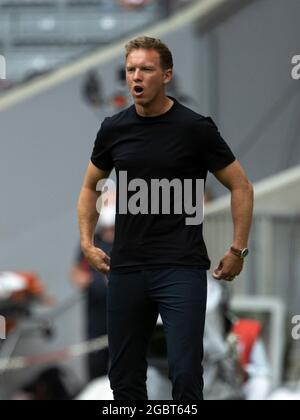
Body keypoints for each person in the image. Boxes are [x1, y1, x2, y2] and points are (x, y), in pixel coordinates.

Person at [77, 36, 254, 400]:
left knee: (186, 375)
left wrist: (238, 250)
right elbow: (90, 186)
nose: (136, 76)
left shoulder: (195, 128)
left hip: (181, 267)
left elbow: (241, 187)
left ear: (167, 74)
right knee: (124, 379)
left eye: (146, 69)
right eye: (130, 70)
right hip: (127, 269)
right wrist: (87, 244)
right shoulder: (113, 128)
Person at [71, 204, 115, 380]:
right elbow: (76, 271)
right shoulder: (91, 242)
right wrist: (82, 279)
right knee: (96, 362)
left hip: (121, 310)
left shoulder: (126, 239)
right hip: (96, 314)